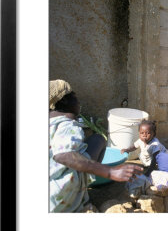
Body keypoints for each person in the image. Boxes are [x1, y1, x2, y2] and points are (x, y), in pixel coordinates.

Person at [49, 79, 143, 212]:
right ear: (63, 100)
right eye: (74, 95)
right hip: (59, 197)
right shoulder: (66, 125)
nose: (78, 100)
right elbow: (63, 155)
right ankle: (77, 195)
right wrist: (110, 172)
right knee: (98, 139)